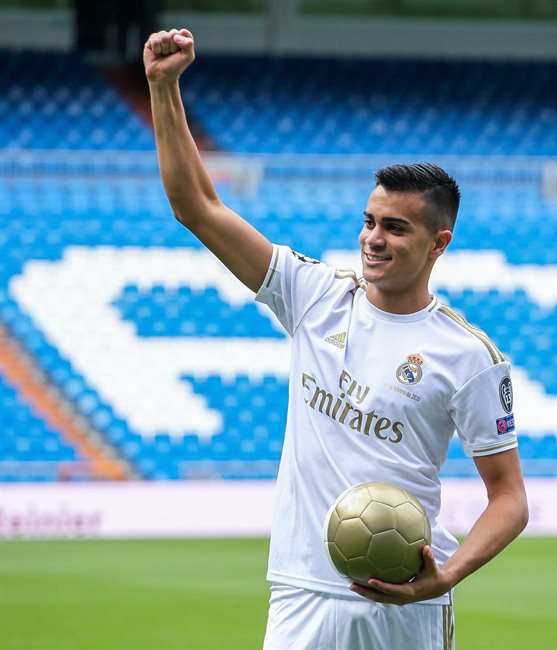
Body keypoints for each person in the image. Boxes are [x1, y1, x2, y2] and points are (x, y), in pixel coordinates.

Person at [144, 28, 528, 650]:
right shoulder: (313, 294)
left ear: (439, 243)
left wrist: (447, 575)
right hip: (300, 590)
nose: (373, 238)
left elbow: (509, 498)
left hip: (406, 602)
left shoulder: (469, 357)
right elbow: (197, 206)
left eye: (395, 228)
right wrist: (164, 88)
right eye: (369, 221)